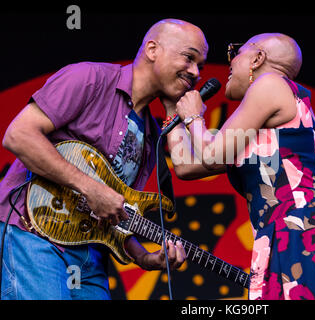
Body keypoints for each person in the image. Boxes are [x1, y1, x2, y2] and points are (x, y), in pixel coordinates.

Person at [0, 18, 208, 300]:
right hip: (34, 236)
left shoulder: (151, 134)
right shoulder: (89, 78)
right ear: (152, 49)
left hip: (90, 257)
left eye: (201, 66)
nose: (195, 72)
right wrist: (91, 188)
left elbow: (114, 210)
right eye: (189, 58)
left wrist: (144, 258)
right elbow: (18, 136)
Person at [168, 33, 315, 300]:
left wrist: (194, 117)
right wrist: (171, 107)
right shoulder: (263, 126)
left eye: (237, 52)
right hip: (287, 230)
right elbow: (187, 166)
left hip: (296, 228)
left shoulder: (270, 84)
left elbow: (211, 154)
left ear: (258, 58)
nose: (231, 62)